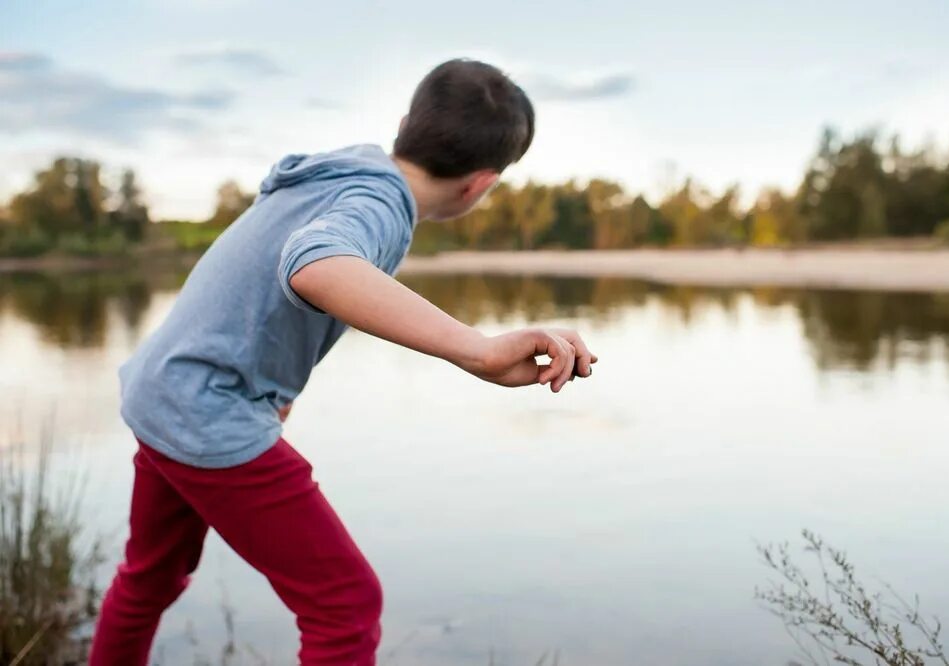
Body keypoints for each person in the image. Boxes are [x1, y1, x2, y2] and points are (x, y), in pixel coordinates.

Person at [90, 59, 598, 665]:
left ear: (406, 123)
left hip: (162, 389)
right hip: (205, 407)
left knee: (150, 577)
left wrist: (273, 381)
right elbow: (315, 261)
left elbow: (261, 286)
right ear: (481, 184)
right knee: (345, 605)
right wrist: (478, 349)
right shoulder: (380, 201)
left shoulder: (344, 169)